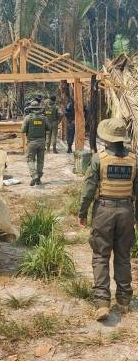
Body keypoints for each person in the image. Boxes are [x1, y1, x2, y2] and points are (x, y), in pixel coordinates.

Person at [78, 118, 138, 321]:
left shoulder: (98, 159)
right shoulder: (133, 159)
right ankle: (123, 301)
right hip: (126, 212)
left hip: (104, 211)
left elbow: (88, 190)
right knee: (123, 255)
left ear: (107, 139)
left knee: (101, 256)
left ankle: (102, 302)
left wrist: (82, 213)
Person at [21, 101, 50, 186]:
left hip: (31, 142)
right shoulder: (44, 118)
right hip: (42, 142)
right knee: (40, 161)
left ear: (31, 109)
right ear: (39, 108)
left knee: (30, 159)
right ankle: (38, 179)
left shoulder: (28, 118)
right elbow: (49, 128)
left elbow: (22, 130)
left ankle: (34, 176)